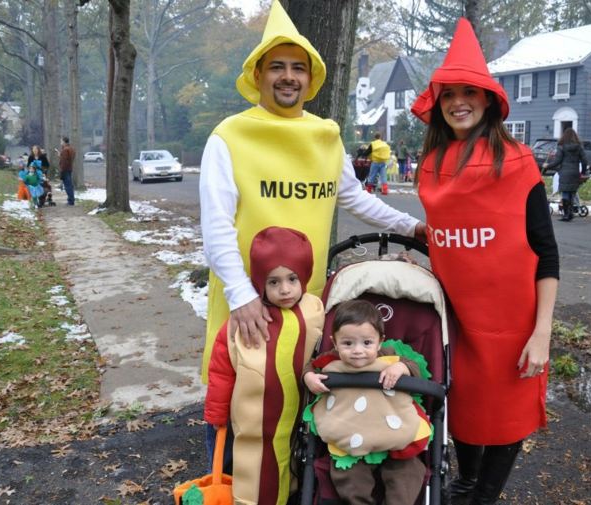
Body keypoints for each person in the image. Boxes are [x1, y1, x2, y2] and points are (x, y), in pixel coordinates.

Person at [199, 0, 424, 484]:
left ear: (311, 77)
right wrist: (241, 297)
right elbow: (215, 227)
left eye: (297, 67)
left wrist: (413, 228)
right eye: (276, 67)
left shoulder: (327, 136)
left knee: (309, 400)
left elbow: (355, 198)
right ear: (258, 75)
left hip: (308, 305)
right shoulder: (230, 136)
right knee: (244, 409)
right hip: (250, 306)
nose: (287, 77)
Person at [410, 17, 559, 504]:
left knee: (505, 413)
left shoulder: (516, 162)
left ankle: (483, 495)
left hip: (511, 322)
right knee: (463, 407)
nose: (459, 101)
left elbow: (545, 250)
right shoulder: (431, 165)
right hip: (454, 319)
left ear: (488, 100)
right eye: (449, 92)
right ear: (439, 102)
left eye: (469, 92)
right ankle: (467, 481)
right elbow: (449, 231)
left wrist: (542, 332)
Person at [204, 226, 324, 505]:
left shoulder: (314, 311)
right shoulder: (246, 319)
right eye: (273, 282)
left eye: (292, 279)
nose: (285, 289)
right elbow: (222, 368)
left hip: (298, 420)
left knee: (294, 468)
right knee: (252, 475)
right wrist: (217, 414)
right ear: (260, 283)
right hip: (253, 424)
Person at [302, 299, 430, 505]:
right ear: (334, 343)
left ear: (380, 341)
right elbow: (310, 367)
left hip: (395, 435)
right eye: (347, 343)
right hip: (351, 438)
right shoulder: (330, 360)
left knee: (408, 473)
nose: (358, 351)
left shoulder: (390, 354)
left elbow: (416, 367)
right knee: (349, 479)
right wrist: (309, 377)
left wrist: (401, 369)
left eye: (367, 343)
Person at [541, 128, 589, 222]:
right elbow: (584, 161)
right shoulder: (579, 147)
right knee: (572, 193)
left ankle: (566, 214)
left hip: (564, 172)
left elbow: (557, 161)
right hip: (575, 172)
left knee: (565, 193)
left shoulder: (561, 146)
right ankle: (570, 213)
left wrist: (547, 166)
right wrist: (583, 172)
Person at [58, 136, 75, 206]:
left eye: (61, 141)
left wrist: (62, 170)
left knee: (68, 185)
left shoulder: (65, 150)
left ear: (64, 141)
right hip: (69, 168)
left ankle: (70, 200)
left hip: (65, 169)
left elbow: (64, 161)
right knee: (70, 185)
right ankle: (71, 199)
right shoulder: (71, 149)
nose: (60, 143)